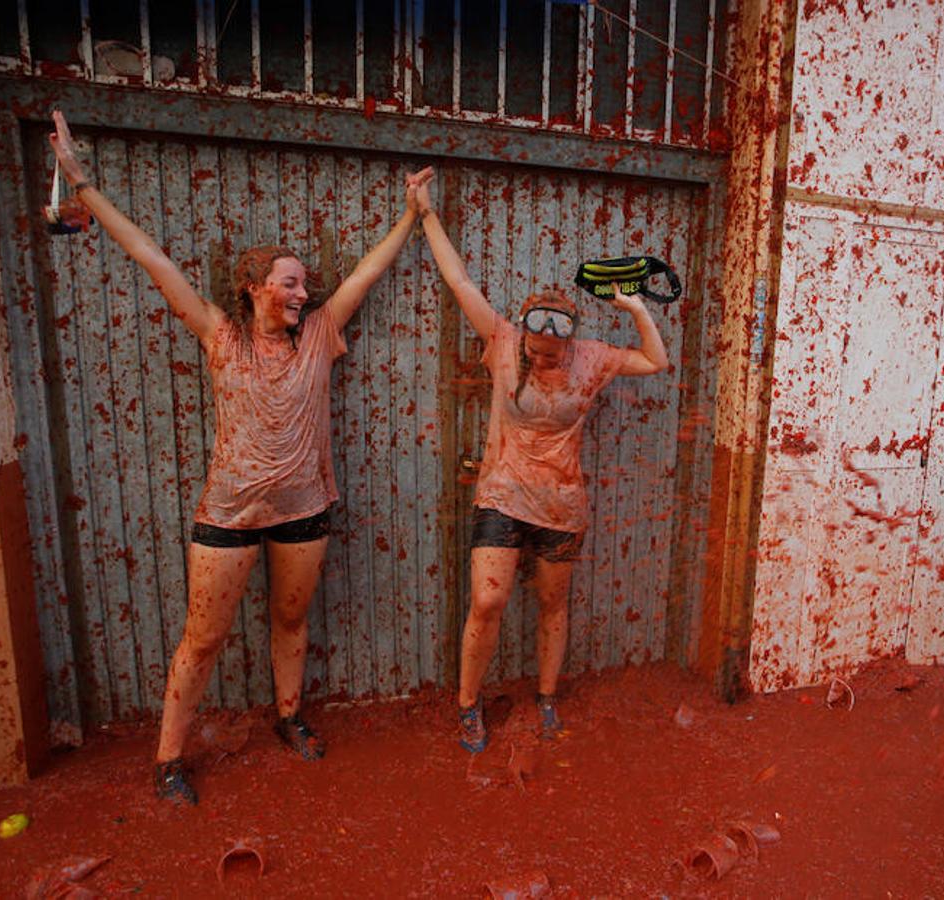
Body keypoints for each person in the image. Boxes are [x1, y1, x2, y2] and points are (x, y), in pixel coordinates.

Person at [49, 110, 433, 802]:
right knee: (203, 638)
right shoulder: (219, 335)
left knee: (291, 620)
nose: (303, 292)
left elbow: (369, 273)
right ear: (254, 287)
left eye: (305, 283)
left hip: (303, 510)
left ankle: (288, 716)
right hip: (228, 512)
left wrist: (411, 215)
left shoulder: (320, 335)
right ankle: (169, 757)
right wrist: (82, 183)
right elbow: (151, 257)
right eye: (289, 283)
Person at [405, 172, 670, 752]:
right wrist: (424, 214)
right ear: (523, 333)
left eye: (552, 352)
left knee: (553, 602)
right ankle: (468, 703)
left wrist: (632, 304)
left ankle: (547, 698)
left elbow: (655, 361)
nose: (542, 357)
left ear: (569, 343)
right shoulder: (502, 342)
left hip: (562, 503)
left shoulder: (593, 358)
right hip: (503, 493)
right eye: (535, 349)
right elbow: (459, 281)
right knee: (488, 599)